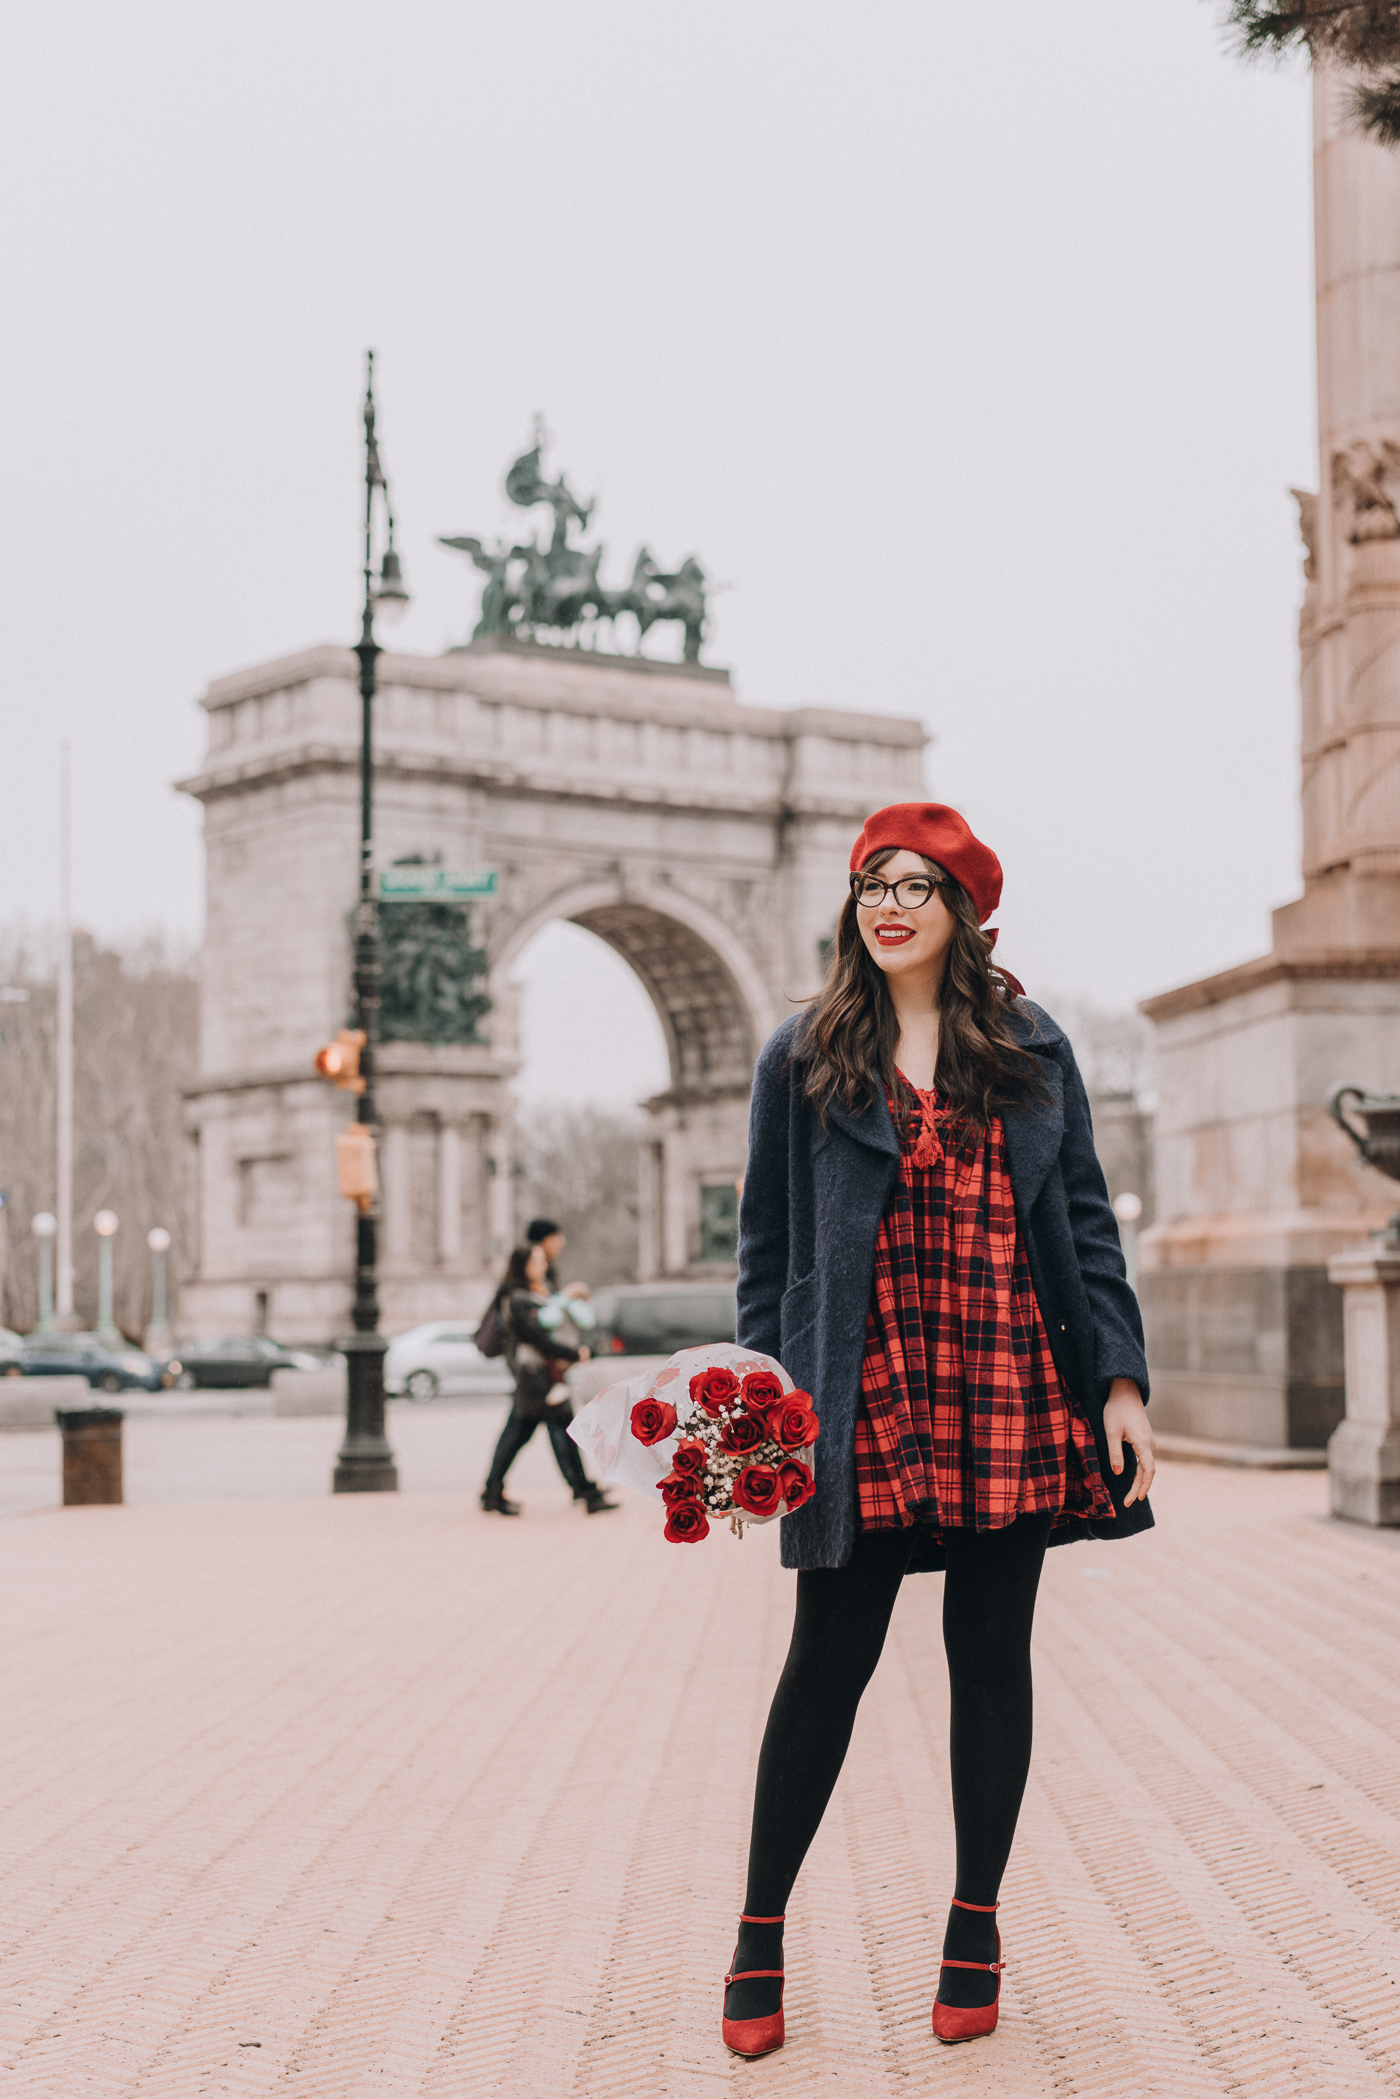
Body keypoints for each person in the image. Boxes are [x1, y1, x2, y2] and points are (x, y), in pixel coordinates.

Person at [723, 801, 1155, 2058]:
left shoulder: (1029, 1046)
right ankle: (759, 1928)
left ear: (963, 910)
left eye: (918, 884)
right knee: (827, 1660)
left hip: (1007, 1380)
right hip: (859, 1391)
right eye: (871, 882)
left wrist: (1118, 1380)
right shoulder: (801, 1052)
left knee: (989, 1653)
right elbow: (764, 1253)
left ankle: (975, 1922)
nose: (889, 903)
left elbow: (1081, 1220)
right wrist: (761, 1404)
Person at [480, 1240, 616, 1517]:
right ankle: (584, 1491)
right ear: (523, 1265)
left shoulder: (540, 1292)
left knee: (518, 1434)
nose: (543, 1265)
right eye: (537, 1260)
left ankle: (492, 1491)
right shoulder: (515, 1298)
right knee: (561, 1431)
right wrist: (573, 1353)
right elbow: (537, 1338)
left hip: (546, 1374)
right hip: (536, 1376)